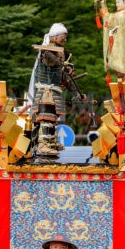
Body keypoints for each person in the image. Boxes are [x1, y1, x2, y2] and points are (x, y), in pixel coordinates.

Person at [31, 23, 84, 156]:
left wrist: (77, 94)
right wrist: (62, 64)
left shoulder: (62, 54)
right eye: (62, 37)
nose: (64, 40)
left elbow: (65, 79)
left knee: (53, 118)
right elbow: (50, 57)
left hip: (54, 90)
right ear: (53, 37)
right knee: (46, 117)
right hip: (45, 90)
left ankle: (50, 142)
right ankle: (42, 145)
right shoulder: (46, 50)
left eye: (66, 38)